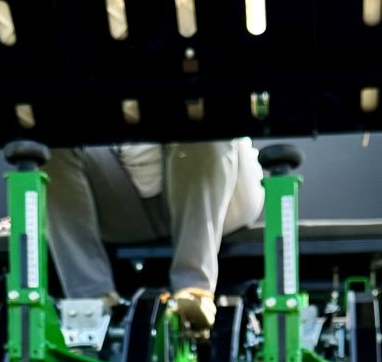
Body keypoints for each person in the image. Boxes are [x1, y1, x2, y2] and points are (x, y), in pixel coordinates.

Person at [44, 139, 263, 332]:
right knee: (51, 137)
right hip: (128, 202)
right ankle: (91, 305)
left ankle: (194, 293)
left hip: (222, 199)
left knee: (203, 126)